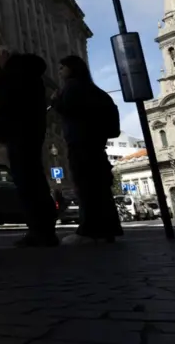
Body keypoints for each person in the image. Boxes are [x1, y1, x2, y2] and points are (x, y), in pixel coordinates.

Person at [51, 55, 123, 244]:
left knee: (85, 187)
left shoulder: (72, 88)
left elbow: (69, 110)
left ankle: (88, 231)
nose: (59, 71)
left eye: (62, 67)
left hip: (80, 143)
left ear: (71, 69)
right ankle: (108, 229)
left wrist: (56, 101)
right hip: (96, 145)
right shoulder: (94, 90)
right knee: (100, 188)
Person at [0, 46, 58, 247]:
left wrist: (0, 127)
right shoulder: (29, 74)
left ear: (4, 56)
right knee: (34, 178)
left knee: (27, 181)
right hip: (29, 131)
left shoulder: (13, 75)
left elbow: (5, 104)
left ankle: (39, 230)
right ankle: (44, 229)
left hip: (19, 132)